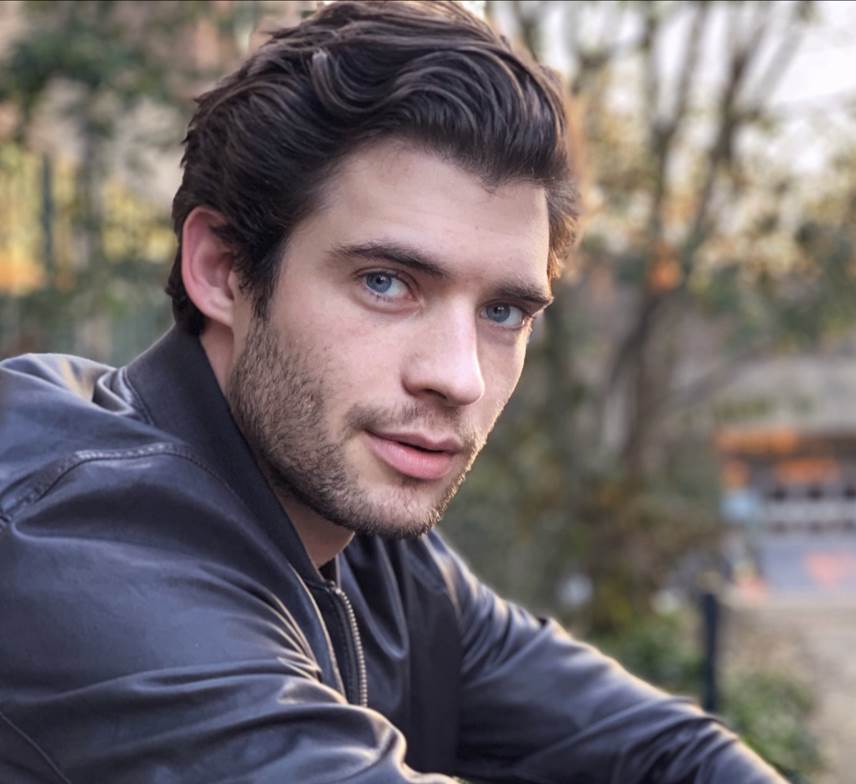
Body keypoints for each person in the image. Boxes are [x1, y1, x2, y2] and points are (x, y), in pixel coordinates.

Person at [0, 2, 785, 782]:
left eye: (503, 313)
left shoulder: (369, 544)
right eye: (385, 283)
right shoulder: (78, 551)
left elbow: (667, 753)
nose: (458, 377)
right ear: (222, 270)